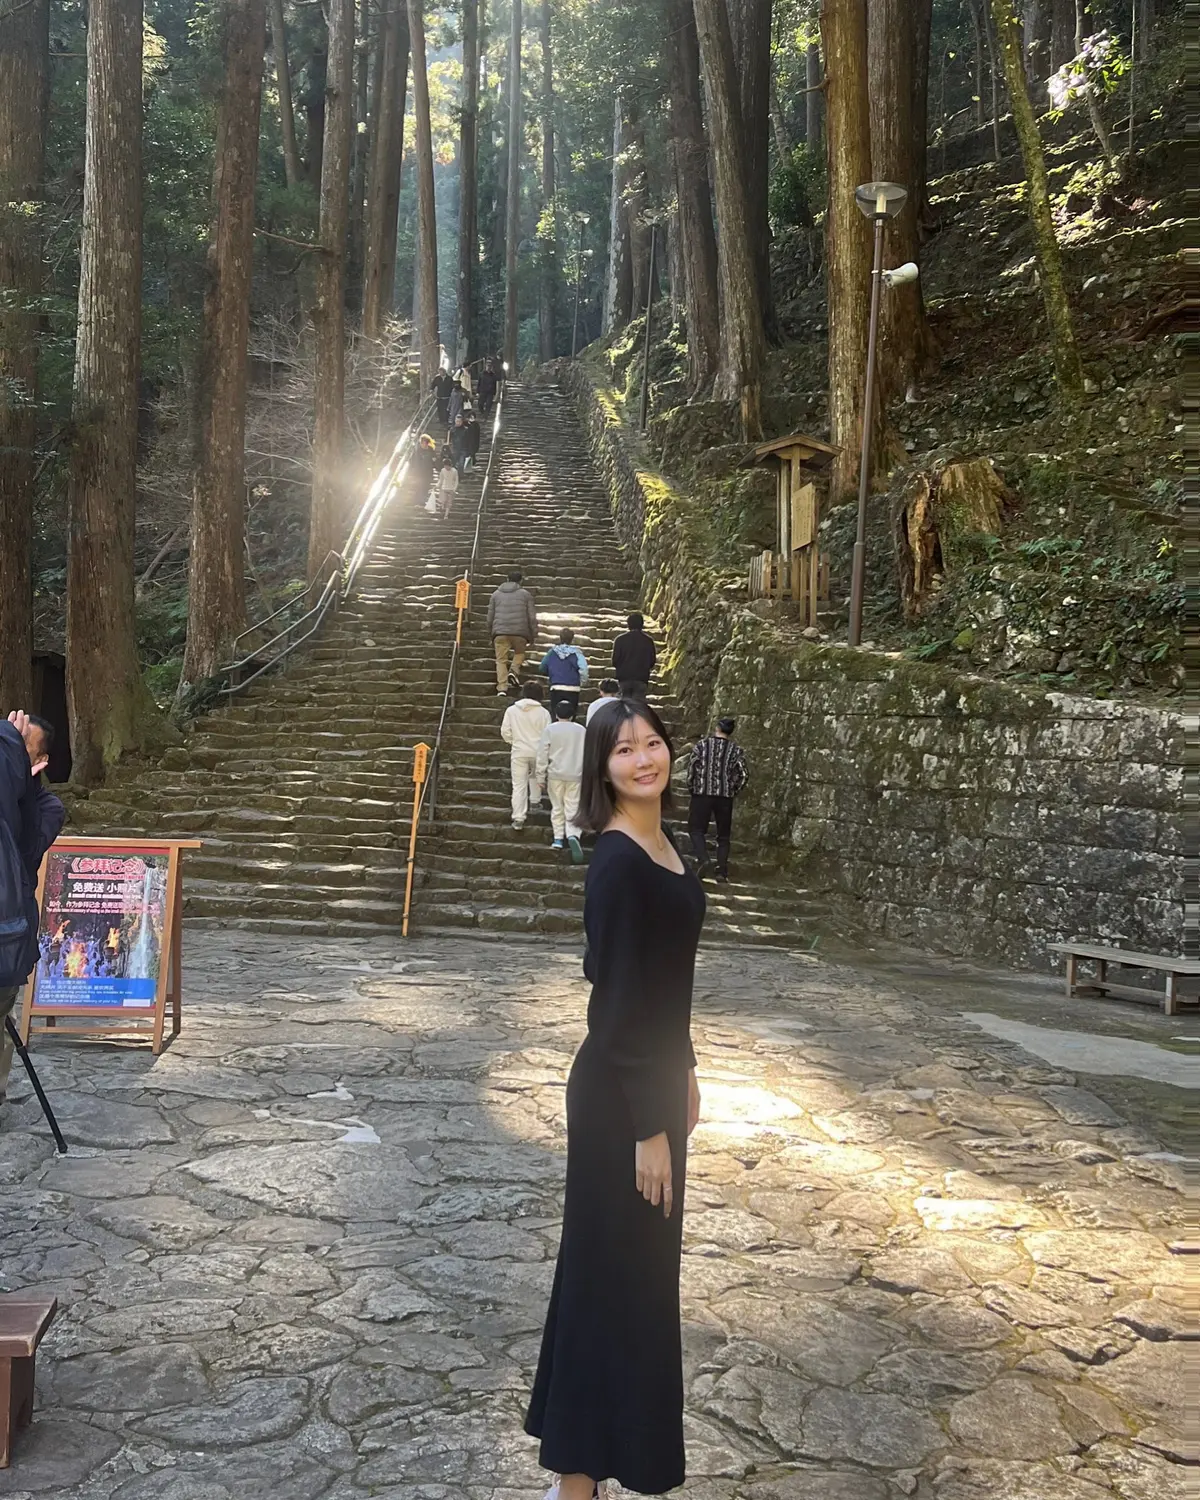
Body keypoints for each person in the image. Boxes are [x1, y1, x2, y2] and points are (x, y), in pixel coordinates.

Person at [525, 698, 704, 1498]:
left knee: (639, 1282)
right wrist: (647, 1126)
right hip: (619, 1102)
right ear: (602, 768)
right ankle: (576, 1480)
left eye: (654, 743)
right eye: (625, 750)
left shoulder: (668, 846)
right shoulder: (616, 858)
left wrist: (688, 1071)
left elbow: (671, 987)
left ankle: (611, 1461)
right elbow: (617, 997)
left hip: (656, 1085)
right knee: (607, 1278)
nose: (643, 759)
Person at [0, 710, 65, 1108]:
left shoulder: (47, 807)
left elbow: (24, 851)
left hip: (10, 930)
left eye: (18, 746)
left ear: (38, 763)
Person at [687, 716, 749, 884]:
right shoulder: (735, 750)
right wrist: (733, 789)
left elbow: (692, 767)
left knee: (696, 830)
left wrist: (692, 787)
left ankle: (703, 860)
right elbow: (743, 774)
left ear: (716, 728)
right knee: (723, 836)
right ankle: (721, 871)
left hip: (702, 793)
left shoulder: (702, 746)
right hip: (725, 797)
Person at [536, 700, 587, 861]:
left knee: (557, 807)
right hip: (576, 774)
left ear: (556, 714)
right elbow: (587, 753)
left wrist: (540, 776)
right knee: (573, 806)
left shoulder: (550, 730)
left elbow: (542, 753)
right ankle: (573, 835)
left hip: (555, 774)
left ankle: (558, 838)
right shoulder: (581, 730)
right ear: (573, 714)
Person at [501, 684, 551, 832]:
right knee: (535, 775)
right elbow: (548, 734)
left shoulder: (511, 710)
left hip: (519, 751)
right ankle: (535, 801)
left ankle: (518, 817)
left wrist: (513, 741)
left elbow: (505, 731)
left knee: (519, 784)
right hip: (538, 751)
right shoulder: (544, 713)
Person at [488, 571, 538, 696]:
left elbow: (490, 617)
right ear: (521, 581)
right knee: (520, 653)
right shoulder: (526, 595)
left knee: (501, 660)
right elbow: (532, 617)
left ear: (507, 579)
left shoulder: (496, 594)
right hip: (520, 632)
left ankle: (502, 688)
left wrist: (491, 633)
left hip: (500, 632)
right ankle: (514, 670)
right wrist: (533, 634)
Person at [540, 628, 590, 721]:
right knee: (571, 715)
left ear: (560, 637)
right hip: (573, 688)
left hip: (556, 687)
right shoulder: (577, 653)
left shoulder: (552, 652)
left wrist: (551, 675)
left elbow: (542, 667)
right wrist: (583, 682)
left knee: (556, 715)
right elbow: (584, 669)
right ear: (572, 639)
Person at [612, 613, 657, 699]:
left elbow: (615, 661)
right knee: (638, 706)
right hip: (641, 678)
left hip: (624, 677)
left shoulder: (620, 640)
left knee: (624, 705)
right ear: (642, 625)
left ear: (628, 625)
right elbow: (652, 661)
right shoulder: (648, 641)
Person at [413, 433, 438, 506]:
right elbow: (415, 462)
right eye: (421, 443)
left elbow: (435, 460)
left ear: (427, 443)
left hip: (429, 471)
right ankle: (419, 501)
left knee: (426, 486)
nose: (423, 445)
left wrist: (435, 461)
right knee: (420, 486)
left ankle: (423, 500)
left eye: (424, 443)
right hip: (420, 472)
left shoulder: (431, 451)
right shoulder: (418, 451)